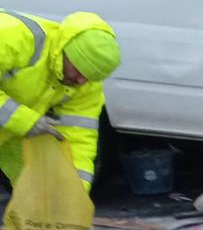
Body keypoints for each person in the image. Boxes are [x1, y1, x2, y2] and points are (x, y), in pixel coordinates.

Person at [0, 10, 121, 191]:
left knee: (34, 191)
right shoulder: (13, 36)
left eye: (89, 77)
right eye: (79, 71)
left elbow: (79, 138)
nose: (81, 81)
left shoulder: (84, 83)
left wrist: (76, 193)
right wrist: (25, 121)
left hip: (9, 131)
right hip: (14, 124)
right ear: (66, 52)